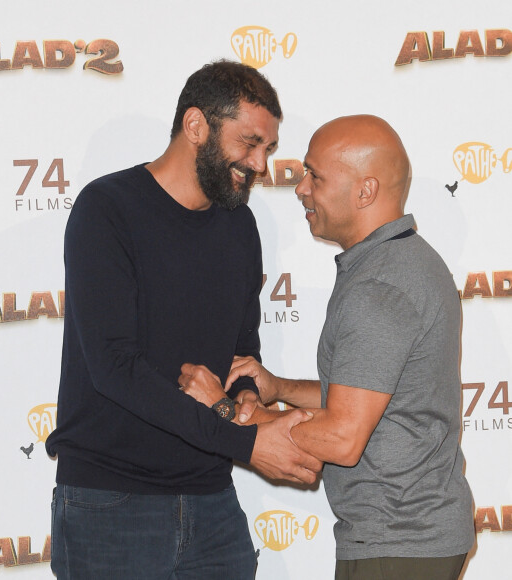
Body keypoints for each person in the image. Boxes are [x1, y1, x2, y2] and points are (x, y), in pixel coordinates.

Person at [45, 59, 321, 580]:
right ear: (196, 127)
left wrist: (241, 399)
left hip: (212, 501)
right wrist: (245, 442)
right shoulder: (107, 210)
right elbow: (115, 369)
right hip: (110, 503)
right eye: (250, 142)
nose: (261, 165)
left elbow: (242, 352)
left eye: (268, 149)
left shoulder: (241, 227)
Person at [179, 115, 475, 580]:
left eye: (315, 176)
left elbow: (342, 437)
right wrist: (278, 386)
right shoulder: (401, 261)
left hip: (397, 544)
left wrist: (225, 410)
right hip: (413, 537)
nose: (300, 188)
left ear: (365, 191)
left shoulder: (380, 286)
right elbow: (369, 397)